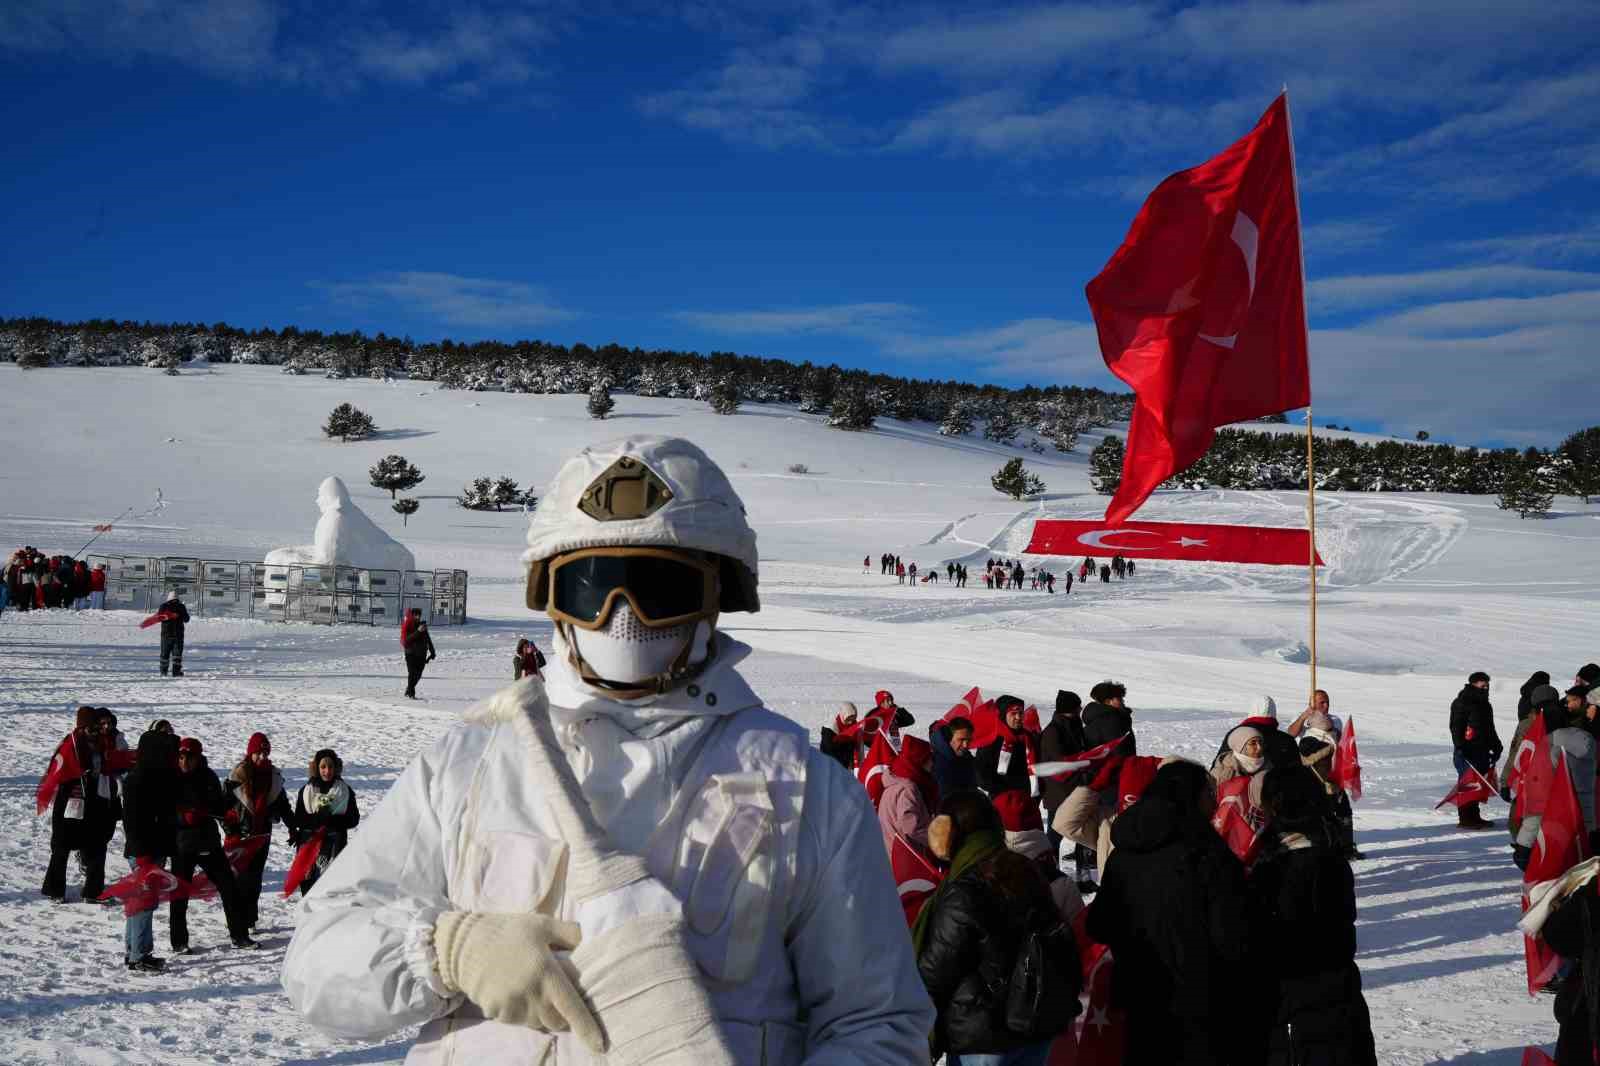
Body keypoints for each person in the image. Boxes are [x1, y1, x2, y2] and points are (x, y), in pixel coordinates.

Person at [281, 435, 933, 1063]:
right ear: (552, 597)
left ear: (713, 596)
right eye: (591, 588)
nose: (623, 615)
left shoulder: (803, 789)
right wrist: (446, 950)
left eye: (660, 589)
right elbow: (316, 958)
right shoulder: (473, 762)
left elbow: (878, 1023)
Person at [1085, 760, 1250, 1064]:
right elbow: (1233, 939)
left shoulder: (1124, 854)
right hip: (1199, 1007)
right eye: (1208, 793)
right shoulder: (1209, 856)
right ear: (1191, 797)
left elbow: (1100, 923)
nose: (1214, 801)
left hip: (1139, 1000)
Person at [914, 789, 1078, 1066]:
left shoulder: (962, 890)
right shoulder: (1026, 870)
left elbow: (935, 973)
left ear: (948, 835)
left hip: (982, 1040)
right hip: (1033, 1029)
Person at [1250, 765, 1377, 1065]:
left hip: (1303, 995)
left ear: (1276, 806)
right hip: (1335, 988)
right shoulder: (1324, 851)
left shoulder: (1283, 862)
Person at [170, 737, 254, 952]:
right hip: (182, 845)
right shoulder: (171, 777)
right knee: (179, 894)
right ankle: (179, 942)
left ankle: (239, 935)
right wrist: (182, 818)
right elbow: (163, 812)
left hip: (208, 842)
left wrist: (228, 811)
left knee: (229, 887)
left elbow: (217, 807)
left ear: (198, 758)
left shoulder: (208, 777)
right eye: (181, 757)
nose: (184, 762)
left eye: (189, 757)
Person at [1514, 684, 1597, 867]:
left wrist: (1523, 849)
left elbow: (1524, 763)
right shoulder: (1588, 737)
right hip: (1586, 801)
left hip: (1552, 798)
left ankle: (1529, 857)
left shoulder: (1550, 742)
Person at [223, 732, 296, 933]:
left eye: (265, 753)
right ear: (250, 753)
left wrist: (292, 827)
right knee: (239, 879)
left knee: (254, 879)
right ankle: (236, 919)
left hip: (261, 835)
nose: (262, 757)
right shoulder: (237, 776)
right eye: (258, 753)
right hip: (239, 835)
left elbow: (283, 805)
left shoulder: (273, 778)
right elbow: (222, 807)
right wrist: (231, 830)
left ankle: (250, 919)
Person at [121, 727, 180, 971]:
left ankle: (133, 951)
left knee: (139, 902)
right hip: (144, 852)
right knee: (144, 903)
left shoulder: (152, 777)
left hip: (151, 849)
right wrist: (143, 855)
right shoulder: (138, 780)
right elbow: (133, 822)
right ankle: (140, 955)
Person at [42, 707, 110, 903]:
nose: (96, 731)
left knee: (98, 846)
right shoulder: (69, 744)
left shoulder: (101, 744)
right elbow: (55, 771)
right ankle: (56, 890)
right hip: (70, 802)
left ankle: (93, 891)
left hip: (95, 801)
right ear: (81, 727)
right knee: (61, 848)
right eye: (91, 728)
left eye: (97, 727)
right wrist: (76, 772)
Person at [292, 748, 361, 896]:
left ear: (336, 768)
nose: (327, 771)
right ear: (317, 768)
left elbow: (354, 819)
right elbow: (298, 819)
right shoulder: (306, 790)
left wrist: (333, 820)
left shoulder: (344, 791)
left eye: (330, 766)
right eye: (323, 767)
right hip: (309, 847)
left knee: (330, 893)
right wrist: (316, 820)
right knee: (308, 892)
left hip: (335, 846)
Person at [975, 696, 1042, 831]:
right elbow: (981, 774)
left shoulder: (1029, 738)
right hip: (1002, 804)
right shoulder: (992, 740)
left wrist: (1037, 794)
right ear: (1003, 715)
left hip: (1028, 803)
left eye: (1021, 713)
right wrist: (1002, 791)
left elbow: (1038, 768)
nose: (1018, 717)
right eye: (1013, 713)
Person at [1449, 671, 1503, 830]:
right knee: (1467, 784)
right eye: (1482, 685)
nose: (1486, 687)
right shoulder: (1462, 702)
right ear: (1473, 684)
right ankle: (1466, 819)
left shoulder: (1485, 704)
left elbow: (1490, 728)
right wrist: (1461, 747)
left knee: (1477, 784)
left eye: (1487, 685)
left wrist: (1497, 745)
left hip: (1481, 750)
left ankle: (1474, 816)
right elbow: (1456, 727)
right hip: (1467, 750)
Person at [1038, 690, 1086, 860]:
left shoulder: (1075, 726)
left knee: (1082, 831)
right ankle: (1051, 869)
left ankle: (1083, 869)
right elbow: (1059, 761)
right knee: (1055, 835)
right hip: (1058, 791)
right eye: (1078, 706)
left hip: (1076, 787)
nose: (1080, 709)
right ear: (1070, 708)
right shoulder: (1053, 731)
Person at [878, 735, 938, 853]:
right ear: (919, 761)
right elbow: (910, 827)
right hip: (907, 854)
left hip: (893, 850)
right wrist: (936, 841)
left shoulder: (895, 782)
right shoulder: (908, 788)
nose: (932, 763)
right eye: (929, 758)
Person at [1082, 680, 1135, 756]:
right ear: (1108, 701)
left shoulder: (1102, 717)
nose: (1122, 701)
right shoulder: (1112, 720)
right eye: (1119, 698)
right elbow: (1120, 753)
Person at [932, 715, 979, 796]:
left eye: (968, 740)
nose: (965, 745)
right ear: (950, 738)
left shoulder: (967, 758)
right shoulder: (938, 763)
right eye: (961, 739)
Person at [401, 607, 437, 699]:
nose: (417, 617)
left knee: (418, 675)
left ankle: (409, 689)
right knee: (412, 673)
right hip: (411, 653)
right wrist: (418, 631)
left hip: (421, 654)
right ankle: (411, 693)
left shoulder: (422, 625)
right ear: (412, 615)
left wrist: (432, 651)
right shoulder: (408, 625)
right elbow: (407, 639)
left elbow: (428, 639)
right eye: (415, 615)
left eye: (419, 615)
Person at [155, 589, 189, 677]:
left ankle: (163, 672)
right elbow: (187, 619)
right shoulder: (181, 606)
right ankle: (176, 672)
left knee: (164, 654)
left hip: (166, 635)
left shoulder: (163, 606)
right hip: (178, 635)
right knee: (177, 655)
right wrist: (179, 615)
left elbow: (159, 618)